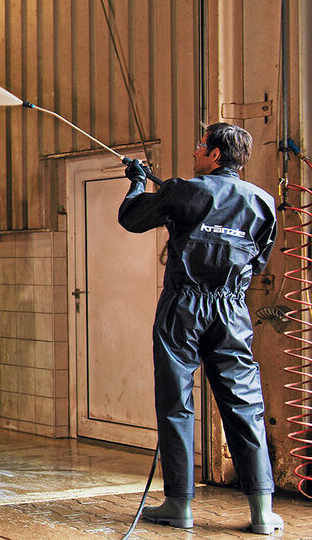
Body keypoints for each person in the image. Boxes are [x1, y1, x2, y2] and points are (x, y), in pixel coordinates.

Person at [118, 122, 284, 535]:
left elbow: (132, 218)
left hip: (184, 307)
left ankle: (179, 505)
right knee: (245, 407)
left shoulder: (183, 189)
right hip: (232, 310)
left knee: (176, 404)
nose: (195, 151)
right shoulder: (263, 202)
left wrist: (138, 183)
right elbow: (258, 261)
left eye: (199, 146)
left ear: (213, 155)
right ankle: (263, 514)